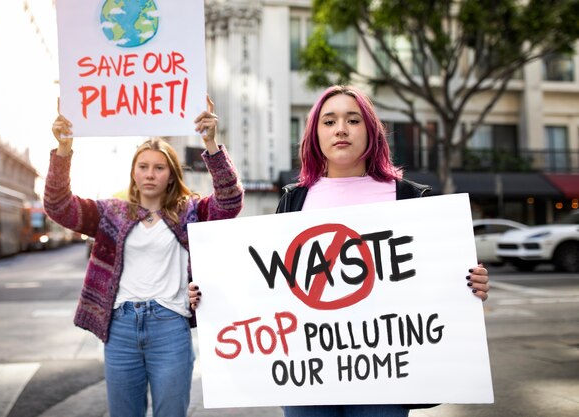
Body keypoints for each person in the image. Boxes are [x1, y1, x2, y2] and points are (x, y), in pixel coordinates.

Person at [188, 85, 489, 417]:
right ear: (315, 135)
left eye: (353, 120)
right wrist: (211, 295)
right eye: (329, 121)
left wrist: (469, 284)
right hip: (307, 371)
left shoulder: (408, 198)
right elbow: (266, 285)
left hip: (386, 373)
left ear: (371, 131)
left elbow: (434, 281)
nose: (341, 129)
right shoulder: (295, 199)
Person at [45, 96, 244, 417]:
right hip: (120, 329)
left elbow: (230, 201)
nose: (150, 173)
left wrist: (210, 143)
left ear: (171, 174)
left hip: (170, 328)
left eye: (159, 167)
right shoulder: (112, 212)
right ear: (134, 173)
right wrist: (64, 150)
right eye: (143, 166)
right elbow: (59, 207)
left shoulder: (190, 211)